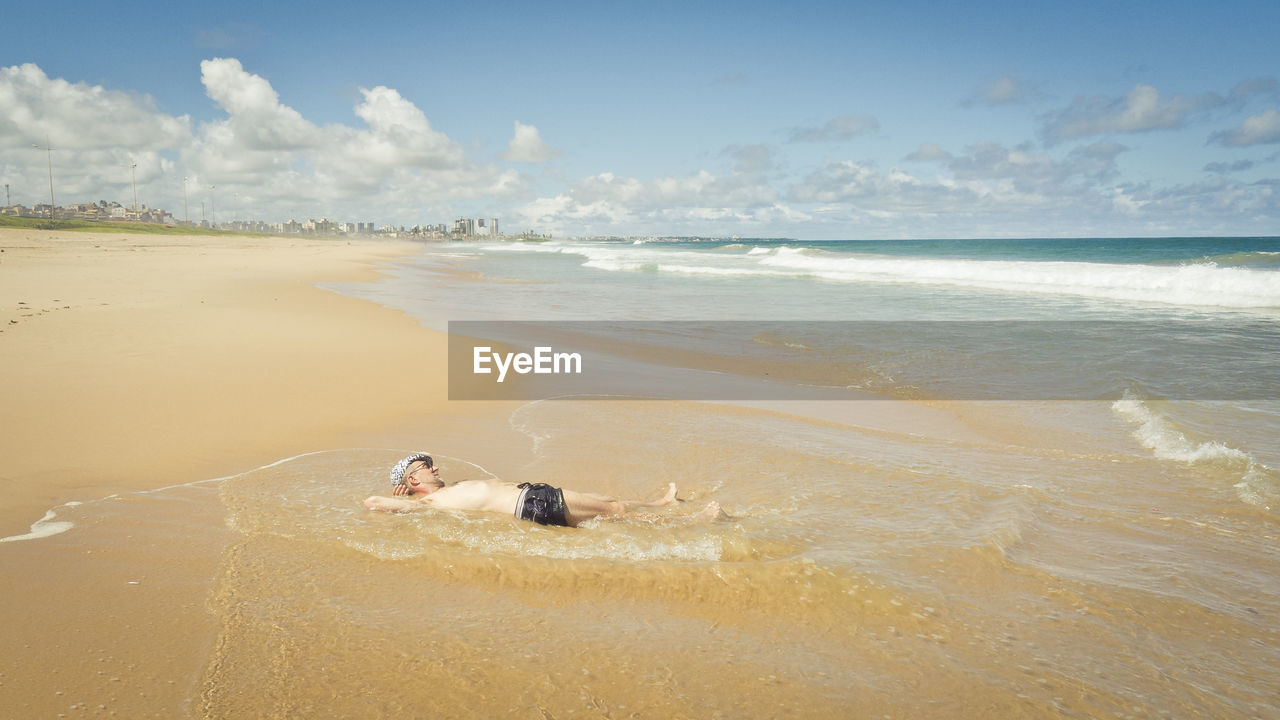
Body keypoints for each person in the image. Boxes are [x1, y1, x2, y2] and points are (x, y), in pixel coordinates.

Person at [363, 453, 721, 527]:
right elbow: (372, 502)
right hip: (533, 504)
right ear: (412, 481)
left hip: (535, 495)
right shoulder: (432, 504)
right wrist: (398, 496)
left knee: (612, 504)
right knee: (616, 512)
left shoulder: (450, 489)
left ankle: (661, 503)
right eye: (426, 467)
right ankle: (696, 522)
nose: (435, 467)